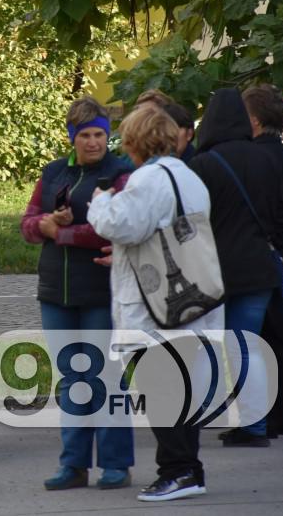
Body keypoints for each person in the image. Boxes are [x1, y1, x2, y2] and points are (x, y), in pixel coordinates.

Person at [89, 103, 224, 502]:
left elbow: (121, 225)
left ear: (135, 140)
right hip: (190, 295)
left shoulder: (148, 178)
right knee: (183, 388)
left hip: (153, 306)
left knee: (160, 389)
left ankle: (177, 471)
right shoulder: (188, 176)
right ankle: (188, 469)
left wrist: (99, 201)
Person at [20, 96, 134, 490]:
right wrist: (47, 223)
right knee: (71, 379)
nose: (93, 142)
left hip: (101, 291)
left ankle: (116, 464)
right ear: (72, 137)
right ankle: (73, 464)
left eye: (99, 134)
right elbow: (27, 223)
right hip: (56, 292)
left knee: (106, 377)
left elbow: (112, 230)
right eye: (84, 135)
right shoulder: (54, 173)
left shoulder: (120, 173)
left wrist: (60, 233)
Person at [188, 88, 283, 448]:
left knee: (204, 345)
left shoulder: (204, 164)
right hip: (259, 266)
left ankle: (193, 416)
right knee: (247, 346)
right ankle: (255, 425)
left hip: (214, 268)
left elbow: (192, 219)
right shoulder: (268, 159)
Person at [242, 85, 283, 436]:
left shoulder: (255, 157)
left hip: (261, 255)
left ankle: (276, 413)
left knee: (263, 338)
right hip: (282, 254)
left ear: (253, 119)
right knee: (279, 336)